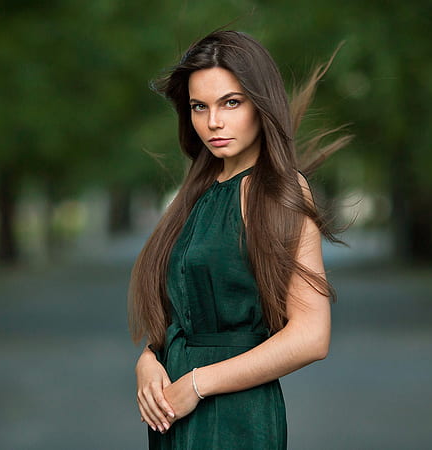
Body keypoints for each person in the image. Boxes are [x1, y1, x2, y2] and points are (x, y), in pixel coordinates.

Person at [128, 30, 349, 449]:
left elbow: (311, 336)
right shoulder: (198, 192)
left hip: (234, 419)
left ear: (260, 104)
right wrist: (148, 361)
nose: (213, 122)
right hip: (175, 413)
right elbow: (182, 312)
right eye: (199, 107)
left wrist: (197, 383)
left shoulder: (278, 192)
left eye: (231, 102)